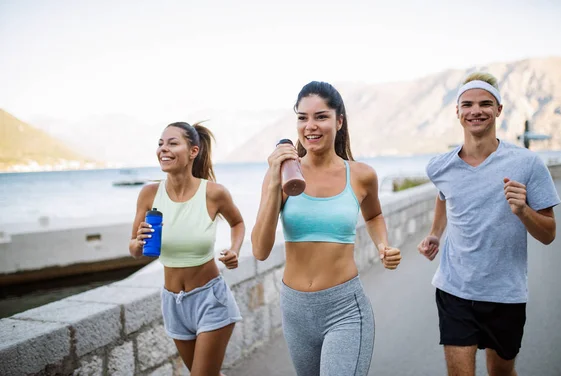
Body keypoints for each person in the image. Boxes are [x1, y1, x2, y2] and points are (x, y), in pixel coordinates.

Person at [251, 81, 402, 376]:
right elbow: (259, 249)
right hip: (295, 310)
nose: (310, 126)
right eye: (302, 117)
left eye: (321, 116)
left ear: (339, 121)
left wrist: (382, 244)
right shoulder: (281, 178)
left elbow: (374, 216)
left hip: (344, 308)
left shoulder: (360, 175)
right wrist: (272, 182)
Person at [418, 72, 561, 376]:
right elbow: (444, 196)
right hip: (454, 288)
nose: (475, 111)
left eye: (485, 103)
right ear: (457, 112)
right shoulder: (439, 166)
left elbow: (549, 233)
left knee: (501, 373)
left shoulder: (527, 164)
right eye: (467, 104)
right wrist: (434, 233)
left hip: (505, 293)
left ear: (498, 110)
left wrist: (523, 211)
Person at [129, 122, 244, 376]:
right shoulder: (149, 194)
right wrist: (137, 243)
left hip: (210, 299)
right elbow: (134, 248)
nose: (163, 149)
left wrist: (234, 249)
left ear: (193, 151)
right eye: (160, 143)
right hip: (173, 303)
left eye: (172, 143)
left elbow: (237, 222)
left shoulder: (213, 193)